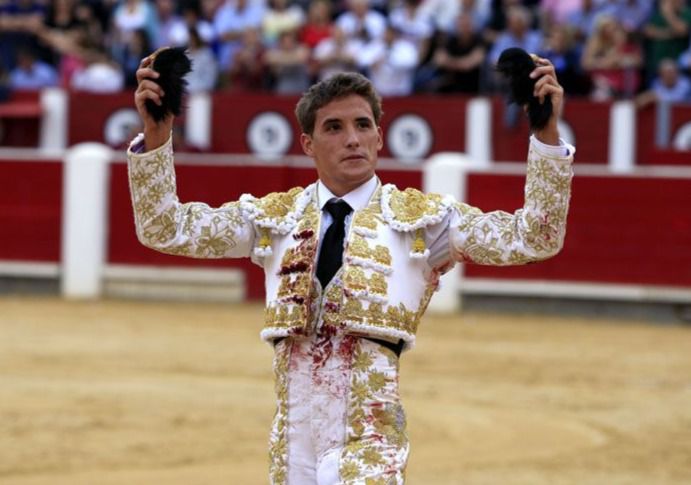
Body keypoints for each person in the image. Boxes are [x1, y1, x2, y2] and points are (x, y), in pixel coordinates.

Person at [128, 60, 573, 483]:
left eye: (363, 125)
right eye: (334, 128)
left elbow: (535, 237)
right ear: (308, 143)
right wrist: (157, 137)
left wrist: (546, 135)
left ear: (380, 137)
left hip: (370, 436)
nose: (353, 139)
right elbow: (165, 229)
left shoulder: (422, 221)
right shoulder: (275, 219)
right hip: (293, 439)